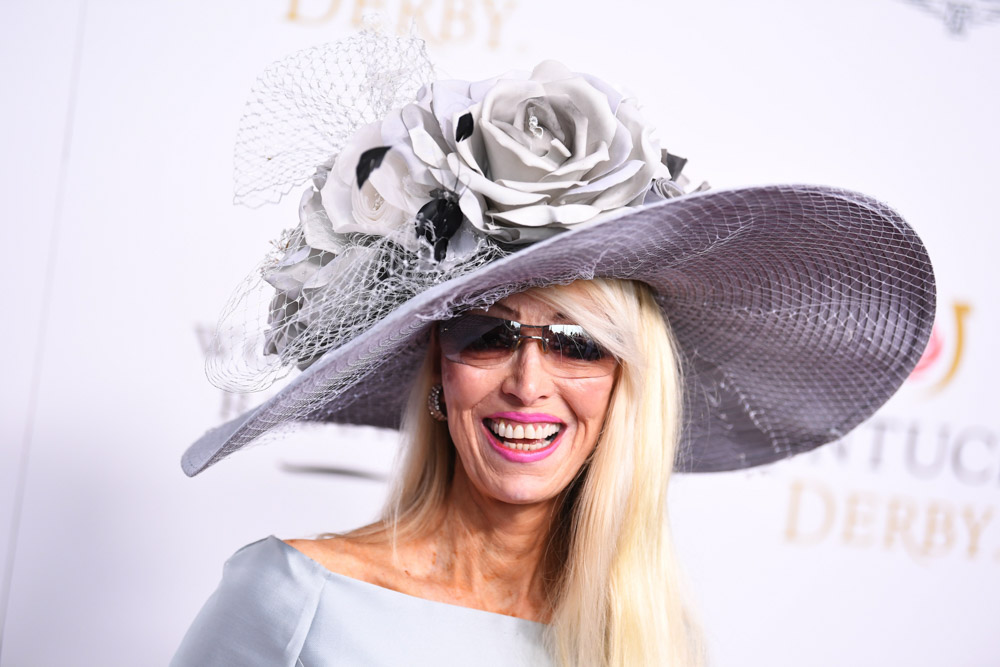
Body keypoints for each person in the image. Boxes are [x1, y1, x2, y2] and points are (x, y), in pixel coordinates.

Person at [172, 31, 935, 667]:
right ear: (440, 367)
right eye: (488, 333)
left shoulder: (656, 646)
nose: (528, 382)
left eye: (577, 344)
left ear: (627, 383)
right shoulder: (293, 598)